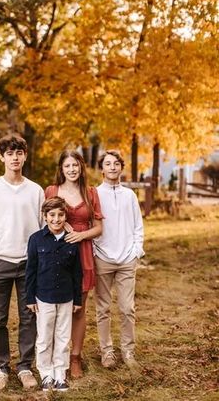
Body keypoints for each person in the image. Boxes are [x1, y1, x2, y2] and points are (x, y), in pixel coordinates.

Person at [0, 133, 44, 393]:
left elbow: (41, 228)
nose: (14, 158)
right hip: (0, 262)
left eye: (19, 153)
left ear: (25, 156)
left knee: (29, 318)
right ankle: (1, 368)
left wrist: (37, 260)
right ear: (2, 157)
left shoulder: (35, 190)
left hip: (28, 264)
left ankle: (25, 366)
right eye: (9, 153)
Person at [44, 150, 103, 379]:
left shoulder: (90, 193)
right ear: (61, 168)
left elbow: (98, 228)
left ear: (81, 167)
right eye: (67, 165)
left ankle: (75, 358)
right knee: (56, 308)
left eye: (75, 165)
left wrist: (81, 235)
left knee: (78, 308)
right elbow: (45, 220)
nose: (72, 169)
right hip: (57, 254)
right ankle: (54, 356)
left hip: (83, 252)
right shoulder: (51, 191)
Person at [93, 150, 144, 370]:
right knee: (103, 309)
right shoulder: (94, 194)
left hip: (126, 260)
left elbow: (138, 226)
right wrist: (96, 252)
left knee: (126, 308)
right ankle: (107, 352)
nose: (112, 167)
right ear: (101, 168)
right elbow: (90, 225)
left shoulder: (129, 196)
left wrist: (136, 252)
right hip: (102, 258)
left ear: (121, 167)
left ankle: (128, 350)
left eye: (116, 163)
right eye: (107, 164)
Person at [25, 196, 83, 392]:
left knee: (63, 337)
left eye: (60, 215)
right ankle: (46, 373)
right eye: (52, 215)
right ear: (45, 216)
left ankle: (60, 373)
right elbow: (30, 270)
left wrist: (77, 299)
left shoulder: (71, 241)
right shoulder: (36, 239)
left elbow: (77, 273)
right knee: (44, 337)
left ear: (65, 216)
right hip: (44, 298)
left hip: (66, 298)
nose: (56, 219)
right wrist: (30, 297)